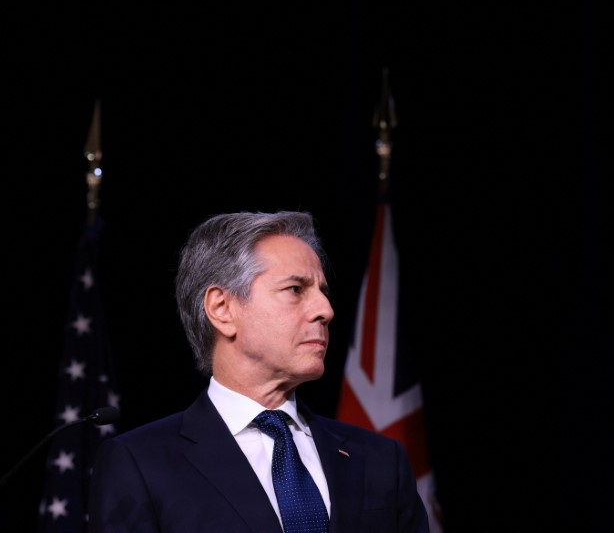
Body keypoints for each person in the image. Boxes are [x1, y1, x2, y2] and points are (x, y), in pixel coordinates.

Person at [88, 211, 430, 532]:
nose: (326, 310)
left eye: (323, 293)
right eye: (295, 290)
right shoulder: (141, 464)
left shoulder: (381, 460)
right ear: (222, 308)